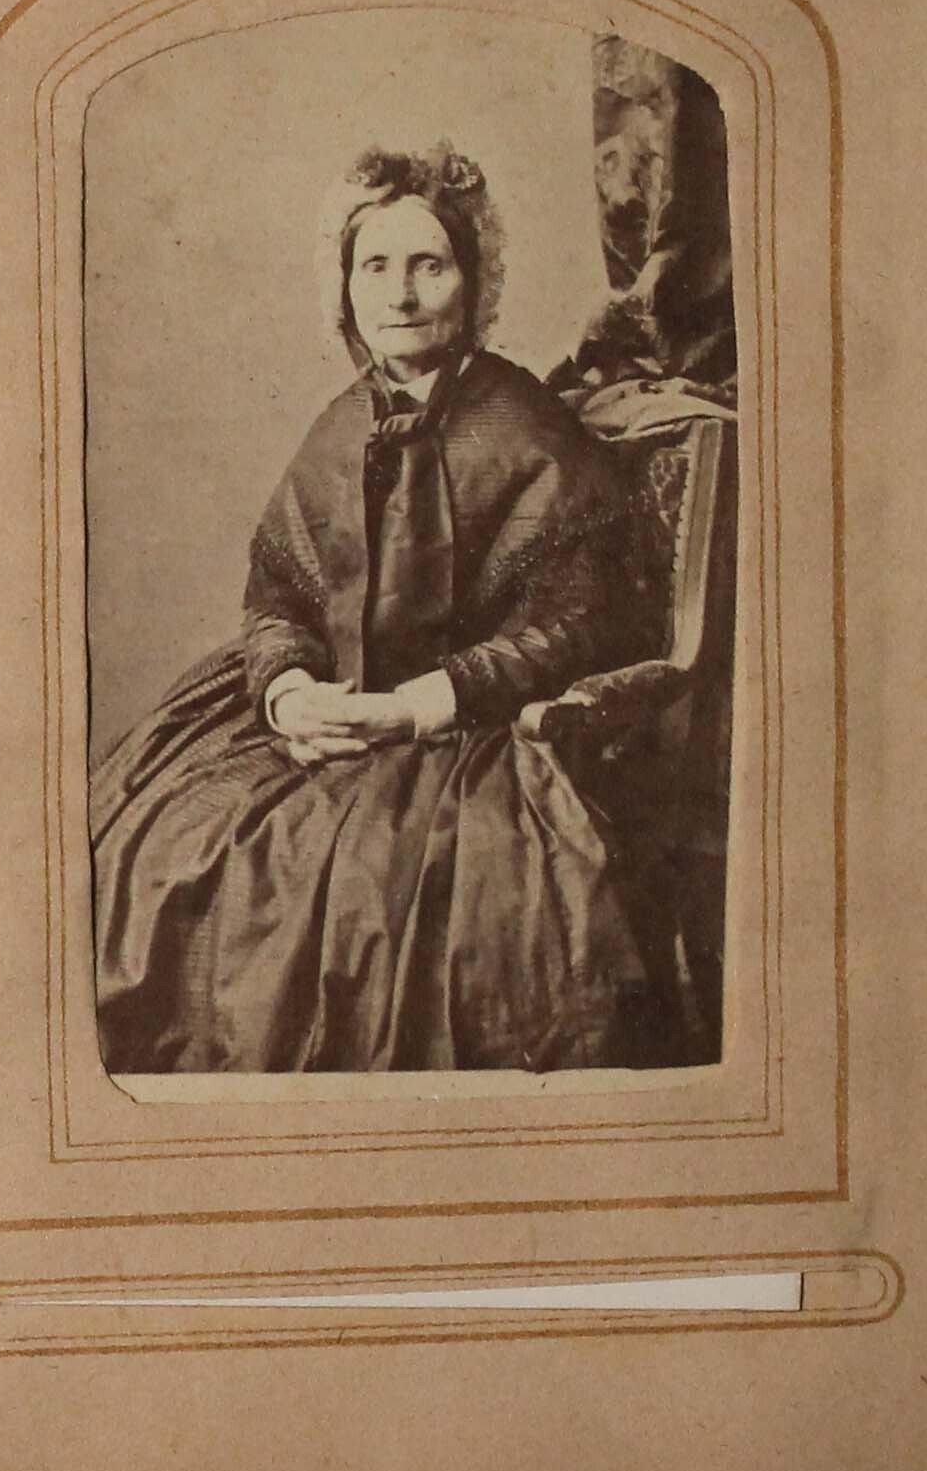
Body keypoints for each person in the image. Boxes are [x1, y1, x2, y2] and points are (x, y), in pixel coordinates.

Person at [91, 144, 658, 1074]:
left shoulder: (528, 427)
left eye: (429, 265)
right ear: (346, 288)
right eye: (376, 266)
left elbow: (576, 625)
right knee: (160, 839)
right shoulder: (340, 423)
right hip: (330, 711)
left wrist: (416, 705)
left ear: (473, 282)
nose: (400, 294)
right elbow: (278, 594)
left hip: (469, 736)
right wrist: (289, 694)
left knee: (364, 892)